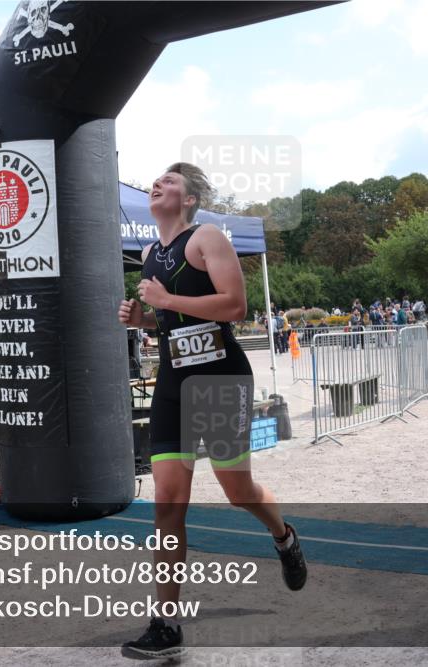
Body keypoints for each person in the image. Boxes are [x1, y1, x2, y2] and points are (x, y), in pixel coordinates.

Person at [117, 163, 306, 660]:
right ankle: (166, 623)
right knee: (167, 502)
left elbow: (234, 306)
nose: (158, 184)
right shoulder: (148, 255)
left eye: (170, 181)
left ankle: (284, 536)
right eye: (157, 180)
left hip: (220, 378)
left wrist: (164, 298)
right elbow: (171, 319)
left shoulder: (207, 238)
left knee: (237, 492)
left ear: (189, 199)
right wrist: (144, 319)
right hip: (174, 382)